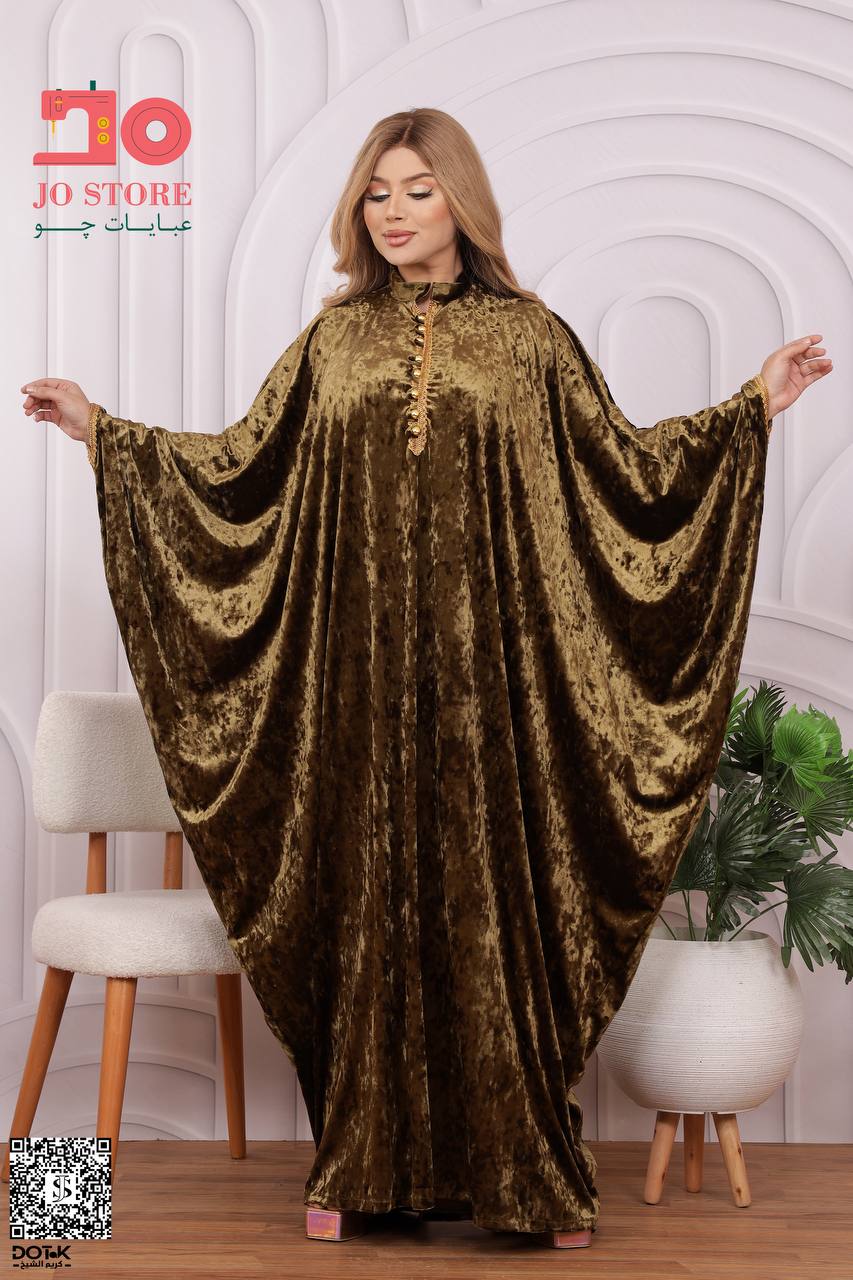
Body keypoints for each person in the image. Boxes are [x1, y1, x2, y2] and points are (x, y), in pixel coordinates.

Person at [19, 107, 832, 1250]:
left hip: (496, 692)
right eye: (375, 193)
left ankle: (525, 1175)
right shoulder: (330, 343)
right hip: (355, 690)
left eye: (416, 189)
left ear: (460, 199)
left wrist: (750, 407)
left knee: (494, 907)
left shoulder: (532, 338)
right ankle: (363, 1166)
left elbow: (628, 472)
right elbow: (239, 472)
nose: (393, 212)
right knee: (368, 901)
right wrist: (104, 433)